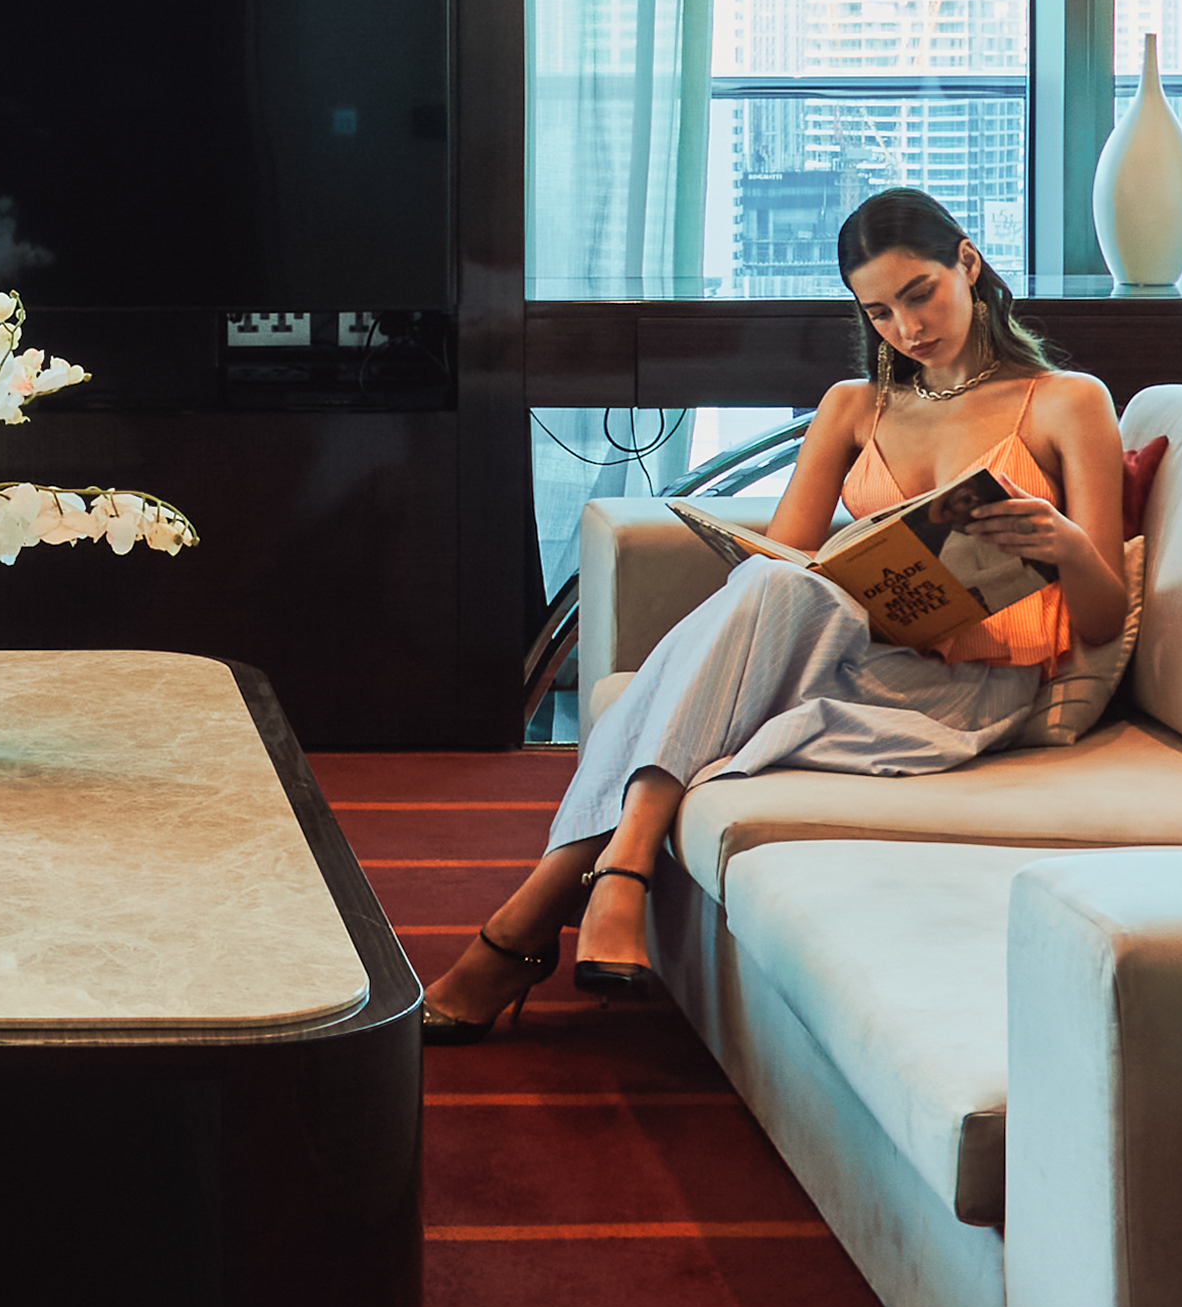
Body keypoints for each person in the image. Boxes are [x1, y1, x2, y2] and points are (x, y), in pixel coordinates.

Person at [428, 187, 1134, 1038]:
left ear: (969, 265)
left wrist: (1062, 545)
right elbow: (783, 569)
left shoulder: (1067, 401)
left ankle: (565, 898)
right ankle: (599, 885)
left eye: (921, 293)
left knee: (722, 659)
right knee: (772, 587)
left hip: (971, 692)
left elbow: (1101, 621)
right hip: (852, 658)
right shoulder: (852, 407)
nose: (907, 328)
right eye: (879, 310)